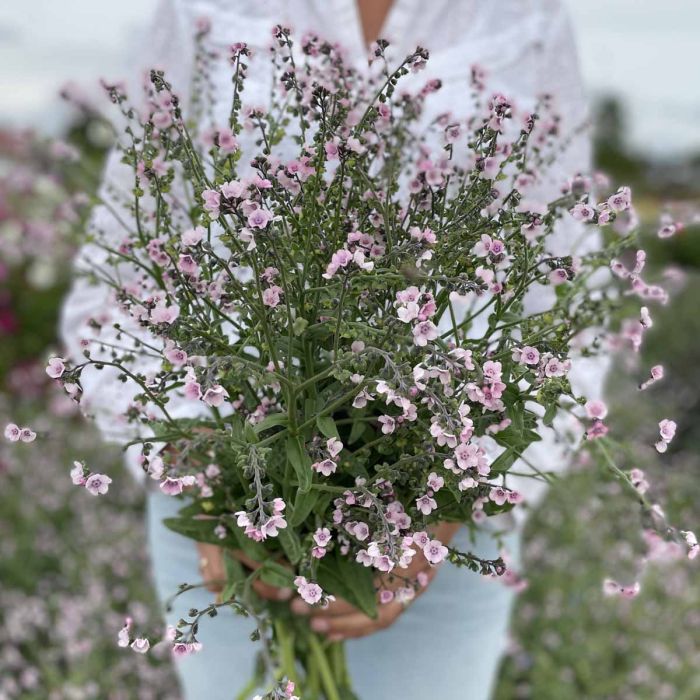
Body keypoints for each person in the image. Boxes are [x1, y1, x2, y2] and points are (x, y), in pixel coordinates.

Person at [61, 1, 604, 697]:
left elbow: (566, 303)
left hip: (444, 515)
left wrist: (446, 507)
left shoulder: (522, 16)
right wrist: (203, 467)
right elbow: (122, 286)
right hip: (220, 502)